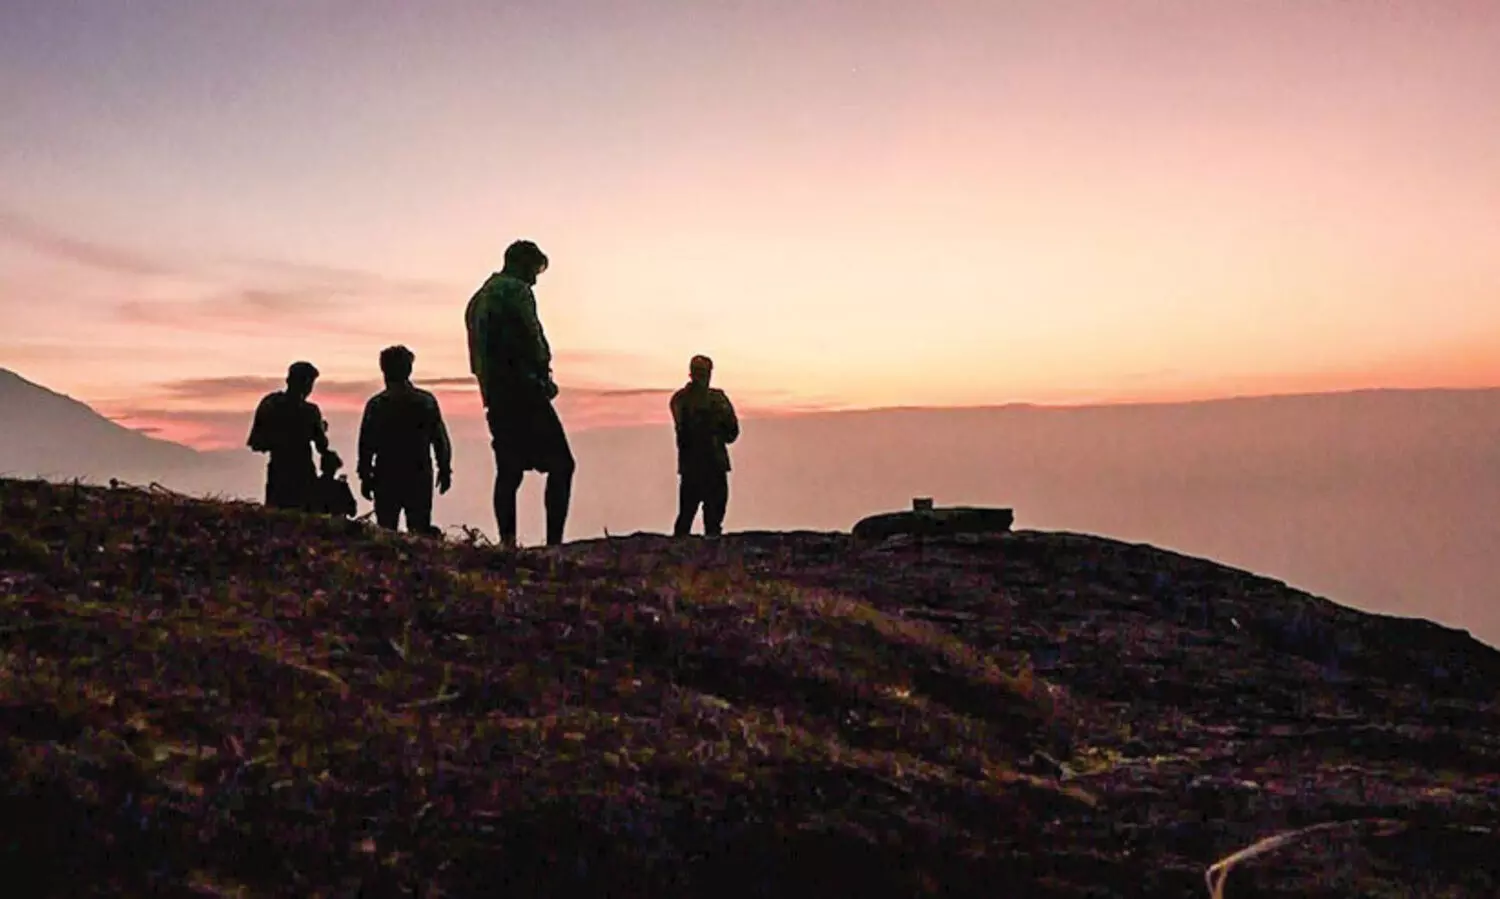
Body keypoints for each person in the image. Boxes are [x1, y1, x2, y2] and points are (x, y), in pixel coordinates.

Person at [464, 239, 575, 548]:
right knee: (562, 465)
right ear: (523, 263)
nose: (536, 279)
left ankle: (508, 541)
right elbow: (531, 338)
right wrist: (541, 377)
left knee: (509, 470)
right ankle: (555, 544)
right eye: (535, 270)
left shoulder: (477, 300)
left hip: (496, 396)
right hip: (524, 392)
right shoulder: (515, 290)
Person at [356, 345, 453, 535]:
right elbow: (439, 438)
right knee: (419, 529)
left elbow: (366, 444)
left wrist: (365, 475)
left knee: (385, 531)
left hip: (386, 473)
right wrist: (445, 468)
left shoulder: (377, 404)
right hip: (418, 473)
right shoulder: (425, 401)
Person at [246, 361, 337, 511]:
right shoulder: (310, 411)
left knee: (279, 520)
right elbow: (322, 446)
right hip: (303, 475)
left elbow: (257, 443)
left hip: (278, 473)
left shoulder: (271, 404)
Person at [670, 354, 739, 537]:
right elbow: (685, 429)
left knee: (713, 522)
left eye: (705, 373)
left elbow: (732, 432)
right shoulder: (682, 400)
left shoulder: (717, 399)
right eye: (699, 373)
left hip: (713, 466)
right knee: (685, 520)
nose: (703, 377)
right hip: (694, 467)